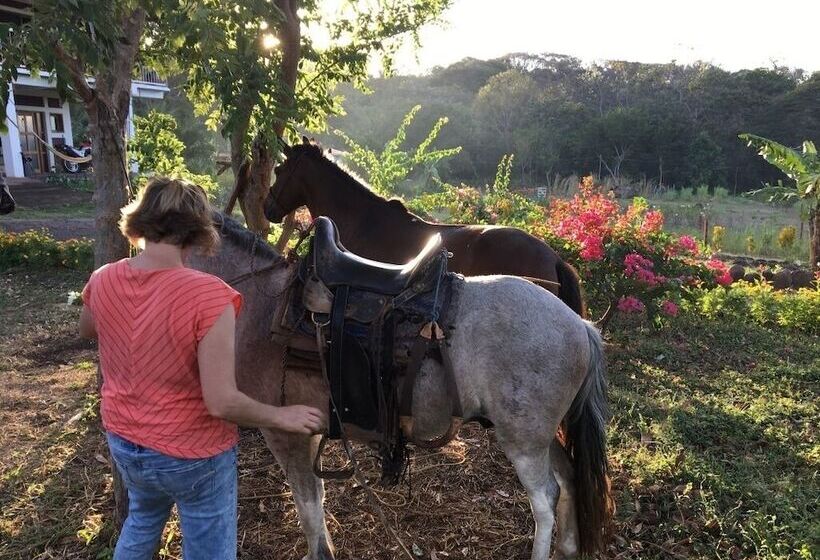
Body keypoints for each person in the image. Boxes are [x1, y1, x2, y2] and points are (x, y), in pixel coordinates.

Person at [79, 177, 325, 560]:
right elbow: (222, 403)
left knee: (141, 523)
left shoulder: (103, 279)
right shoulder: (209, 295)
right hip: (192, 455)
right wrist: (283, 415)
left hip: (126, 443)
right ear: (199, 230)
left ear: (141, 219)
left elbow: (88, 328)